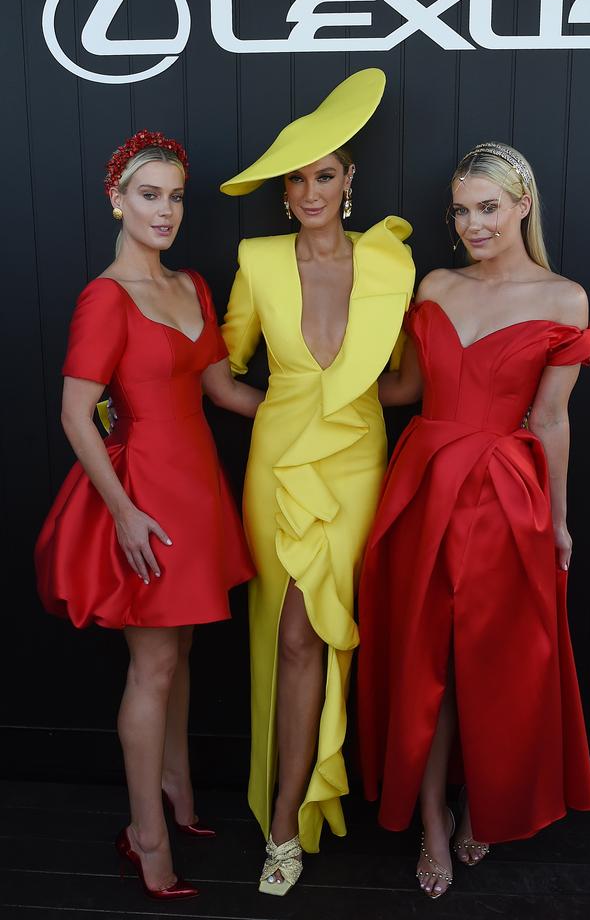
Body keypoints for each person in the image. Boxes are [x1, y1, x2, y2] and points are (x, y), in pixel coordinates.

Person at [357, 142, 590, 900]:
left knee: (488, 669)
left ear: (523, 204)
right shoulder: (433, 283)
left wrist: (558, 522)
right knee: (420, 662)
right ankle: (430, 817)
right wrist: (316, 377)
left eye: (489, 207)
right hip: (422, 489)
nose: (473, 224)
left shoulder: (566, 299)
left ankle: (480, 804)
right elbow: (401, 385)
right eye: (462, 211)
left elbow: (551, 420)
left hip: (505, 497)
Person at [35, 130, 262, 901]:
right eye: (148, 195)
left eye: (174, 196)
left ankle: (181, 796)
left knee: (182, 655)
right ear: (116, 200)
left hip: (198, 488)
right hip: (146, 498)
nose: (164, 210)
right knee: (155, 664)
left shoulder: (193, 285)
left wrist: (320, 415)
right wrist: (124, 512)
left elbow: (226, 392)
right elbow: (74, 414)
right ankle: (148, 840)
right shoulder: (106, 297)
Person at [219, 69, 415, 894]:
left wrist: (347, 407)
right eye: (295, 177)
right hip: (279, 466)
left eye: (323, 173)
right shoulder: (256, 261)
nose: (307, 190)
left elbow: (405, 381)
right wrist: (287, 410)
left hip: (358, 463)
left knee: (326, 635)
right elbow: (219, 372)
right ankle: (283, 827)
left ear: (349, 181)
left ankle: (298, 813)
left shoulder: (388, 264)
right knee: (287, 633)